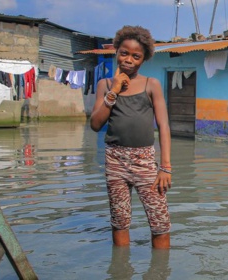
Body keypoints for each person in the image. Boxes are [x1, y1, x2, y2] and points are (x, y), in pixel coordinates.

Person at [90, 25, 172, 249]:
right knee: (120, 221)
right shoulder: (105, 85)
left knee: (160, 223)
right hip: (115, 161)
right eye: (124, 53)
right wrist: (113, 91)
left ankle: (160, 271)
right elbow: (96, 124)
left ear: (143, 60)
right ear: (115, 51)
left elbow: (164, 126)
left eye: (136, 56)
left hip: (145, 161)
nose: (128, 59)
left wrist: (165, 167)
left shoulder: (151, 84)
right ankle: (121, 269)